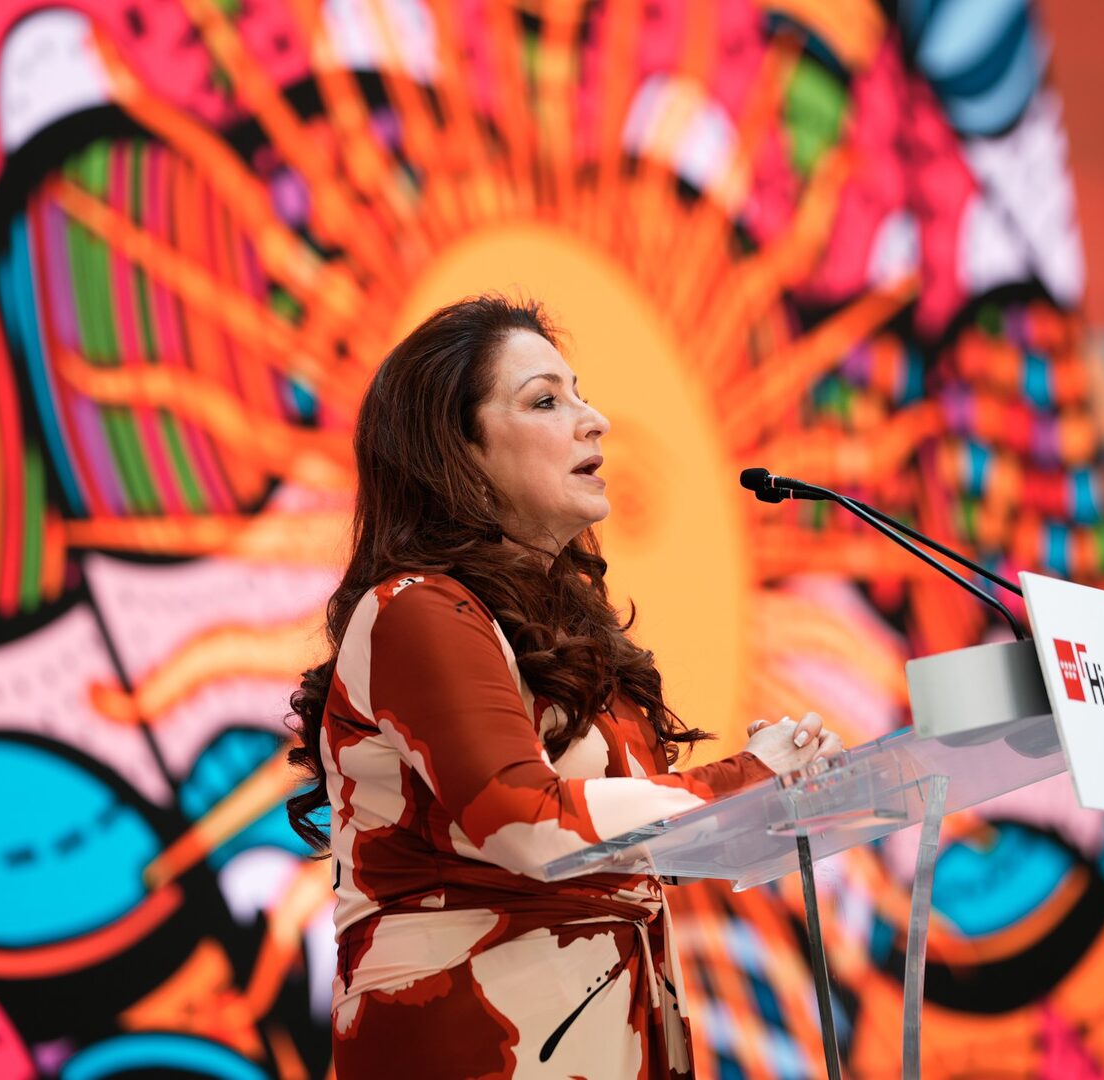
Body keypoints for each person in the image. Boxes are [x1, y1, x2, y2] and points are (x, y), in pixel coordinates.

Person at [286, 295, 840, 1078]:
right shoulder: (413, 610)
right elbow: (526, 825)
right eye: (545, 401)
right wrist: (747, 778)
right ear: (456, 451)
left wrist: (786, 794)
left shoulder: (568, 636)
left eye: (580, 395)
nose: (595, 421)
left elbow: (633, 846)